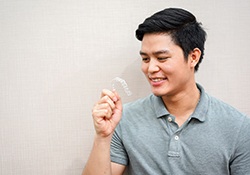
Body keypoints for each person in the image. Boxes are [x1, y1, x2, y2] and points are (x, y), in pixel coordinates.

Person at [82, 7, 250, 175]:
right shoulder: (123, 119)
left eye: (161, 58)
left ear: (193, 57)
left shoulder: (238, 127)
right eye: (145, 59)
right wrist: (102, 137)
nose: (151, 68)